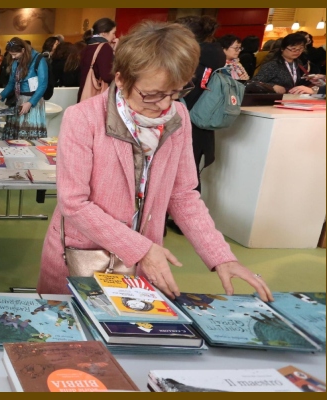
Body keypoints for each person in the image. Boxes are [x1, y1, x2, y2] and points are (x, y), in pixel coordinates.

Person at [37, 21, 273, 303]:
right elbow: (73, 202)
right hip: (81, 255)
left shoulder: (178, 117)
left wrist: (221, 257)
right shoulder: (83, 118)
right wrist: (141, 249)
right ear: (122, 79)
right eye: (152, 94)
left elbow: (183, 194)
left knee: (131, 333)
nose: (164, 105)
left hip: (142, 261)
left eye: (175, 92)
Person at [173, 14, 225, 206]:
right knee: (190, 171)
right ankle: (184, 217)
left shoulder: (192, 58)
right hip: (202, 119)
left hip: (183, 117)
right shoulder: (217, 55)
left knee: (174, 171)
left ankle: (168, 217)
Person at [0, 38, 49, 141]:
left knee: (28, 135)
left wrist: (30, 103)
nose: (13, 57)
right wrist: (0, 96)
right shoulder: (16, 61)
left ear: (23, 50)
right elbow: (12, 82)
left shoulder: (39, 60)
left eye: (15, 54)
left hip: (32, 100)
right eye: (11, 54)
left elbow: (43, 85)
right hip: (18, 99)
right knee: (15, 136)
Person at [251, 33, 317, 94]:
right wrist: (272, 86)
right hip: (272, 98)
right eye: (293, 49)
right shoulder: (273, 65)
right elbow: (254, 83)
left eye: (300, 49)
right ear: (282, 48)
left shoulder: (298, 62)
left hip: (290, 97)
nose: (297, 51)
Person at [77, 17, 117, 102]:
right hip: (96, 96)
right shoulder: (105, 47)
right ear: (104, 33)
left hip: (84, 92)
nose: (114, 37)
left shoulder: (87, 46)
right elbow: (107, 76)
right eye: (113, 33)